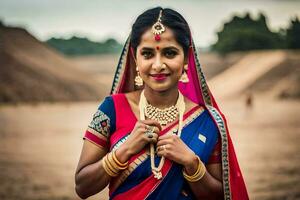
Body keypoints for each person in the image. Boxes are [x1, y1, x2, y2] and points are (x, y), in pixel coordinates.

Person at [75, 7, 249, 200]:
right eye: (148, 54)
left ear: (186, 58)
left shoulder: (207, 121)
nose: (158, 65)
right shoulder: (111, 109)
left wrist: (192, 164)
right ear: (135, 57)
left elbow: (221, 195)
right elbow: (82, 186)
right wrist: (124, 151)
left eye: (170, 53)